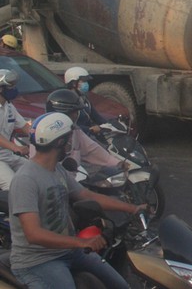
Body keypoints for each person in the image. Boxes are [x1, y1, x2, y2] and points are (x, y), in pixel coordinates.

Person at [9, 112, 146, 289]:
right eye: (67, 140)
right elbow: (33, 234)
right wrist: (81, 242)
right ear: (59, 142)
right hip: (38, 261)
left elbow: (87, 195)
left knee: (120, 285)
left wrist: (132, 208)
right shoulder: (26, 179)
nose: (69, 144)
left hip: (69, 251)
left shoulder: (57, 170)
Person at [30, 89, 121, 175]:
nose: (76, 115)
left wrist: (118, 164)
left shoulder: (75, 131)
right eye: (74, 112)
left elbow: (93, 150)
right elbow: (43, 168)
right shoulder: (43, 135)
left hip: (71, 181)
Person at [0, 70, 28, 190]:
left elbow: (26, 127)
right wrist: (16, 147)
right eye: (10, 86)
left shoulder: (10, 106)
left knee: (37, 173)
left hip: (9, 155)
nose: (14, 89)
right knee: (14, 187)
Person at [63, 67, 107, 136]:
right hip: (77, 137)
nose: (86, 84)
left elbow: (97, 117)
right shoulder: (67, 102)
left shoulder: (85, 99)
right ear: (74, 83)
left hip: (89, 136)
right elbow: (69, 126)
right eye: (83, 81)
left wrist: (109, 124)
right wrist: (89, 129)